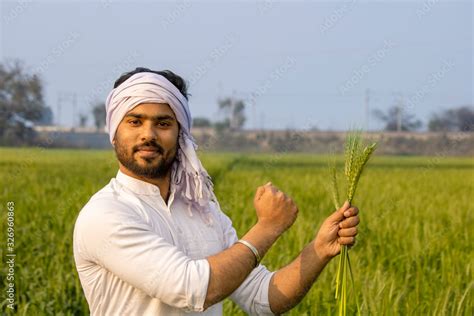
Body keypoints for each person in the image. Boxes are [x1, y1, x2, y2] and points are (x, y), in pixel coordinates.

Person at [73, 67, 360, 315]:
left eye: (163, 123)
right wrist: (268, 227)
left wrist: (319, 249)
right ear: (114, 131)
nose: (148, 134)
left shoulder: (201, 209)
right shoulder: (105, 214)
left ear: (180, 133)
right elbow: (192, 289)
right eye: (134, 121)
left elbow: (262, 298)